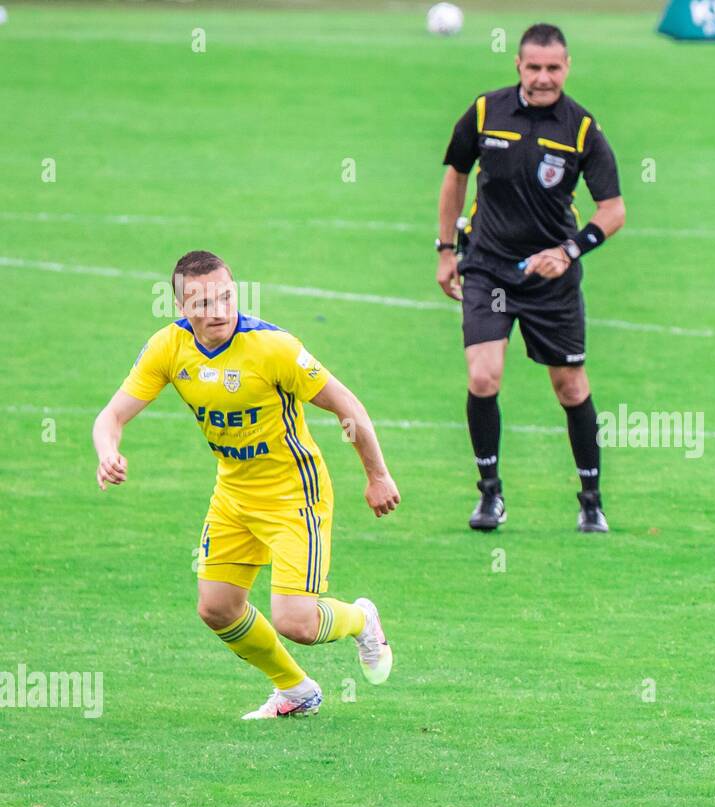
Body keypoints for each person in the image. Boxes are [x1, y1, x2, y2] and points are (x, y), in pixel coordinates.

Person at [92, 250, 401, 719]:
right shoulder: (168, 348)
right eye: (201, 302)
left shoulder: (273, 349)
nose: (216, 310)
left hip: (295, 495)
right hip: (234, 497)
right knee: (217, 608)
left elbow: (348, 408)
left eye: (225, 297)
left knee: (295, 620)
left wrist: (377, 476)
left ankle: (362, 619)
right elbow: (110, 417)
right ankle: (296, 690)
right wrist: (107, 451)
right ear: (180, 307)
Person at [436, 22, 626, 532]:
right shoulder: (484, 112)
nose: (543, 77)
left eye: (553, 68)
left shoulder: (582, 128)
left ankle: (591, 500)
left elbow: (612, 209)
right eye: (534, 67)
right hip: (489, 269)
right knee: (483, 375)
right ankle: (489, 496)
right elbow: (455, 174)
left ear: (566, 67)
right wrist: (445, 249)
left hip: (550, 281)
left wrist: (568, 251)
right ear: (518, 66)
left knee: (570, 387)